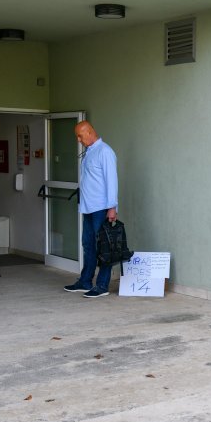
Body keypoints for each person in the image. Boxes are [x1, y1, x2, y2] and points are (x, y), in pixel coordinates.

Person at [63, 121, 118, 298]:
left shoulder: (105, 152)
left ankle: (102, 285)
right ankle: (85, 281)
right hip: (88, 208)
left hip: (101, 208)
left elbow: (111, 181)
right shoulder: (89, 152)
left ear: (89, 132)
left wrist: (112, 208)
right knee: (88, 245)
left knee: (104, 247)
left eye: (80, 135)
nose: (78, 139)